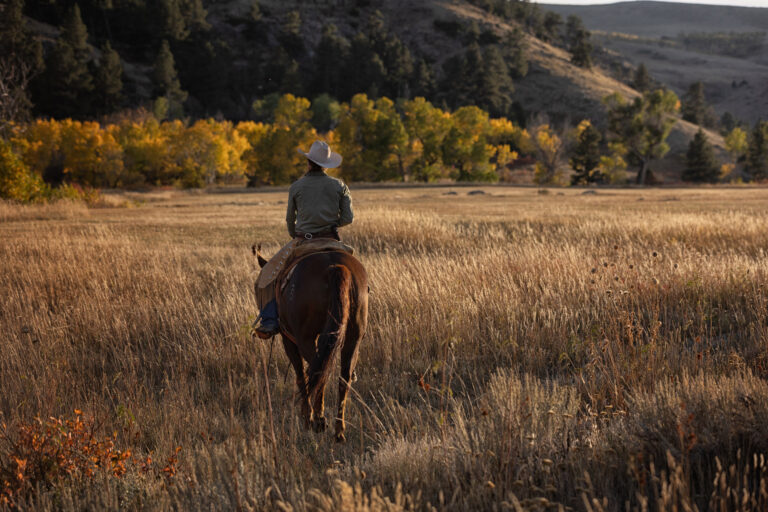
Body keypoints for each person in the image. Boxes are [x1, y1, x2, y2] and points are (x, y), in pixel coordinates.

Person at [253, 140, 354, 338]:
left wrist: (296, 235)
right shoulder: (339, 185)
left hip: (303, 240)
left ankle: (270, 320)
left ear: (308, 162)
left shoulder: (297, 186)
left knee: (266, 278)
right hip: (332, 240)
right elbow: (348, 218)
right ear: (326, 165)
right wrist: (332, 225)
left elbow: (290, 219)